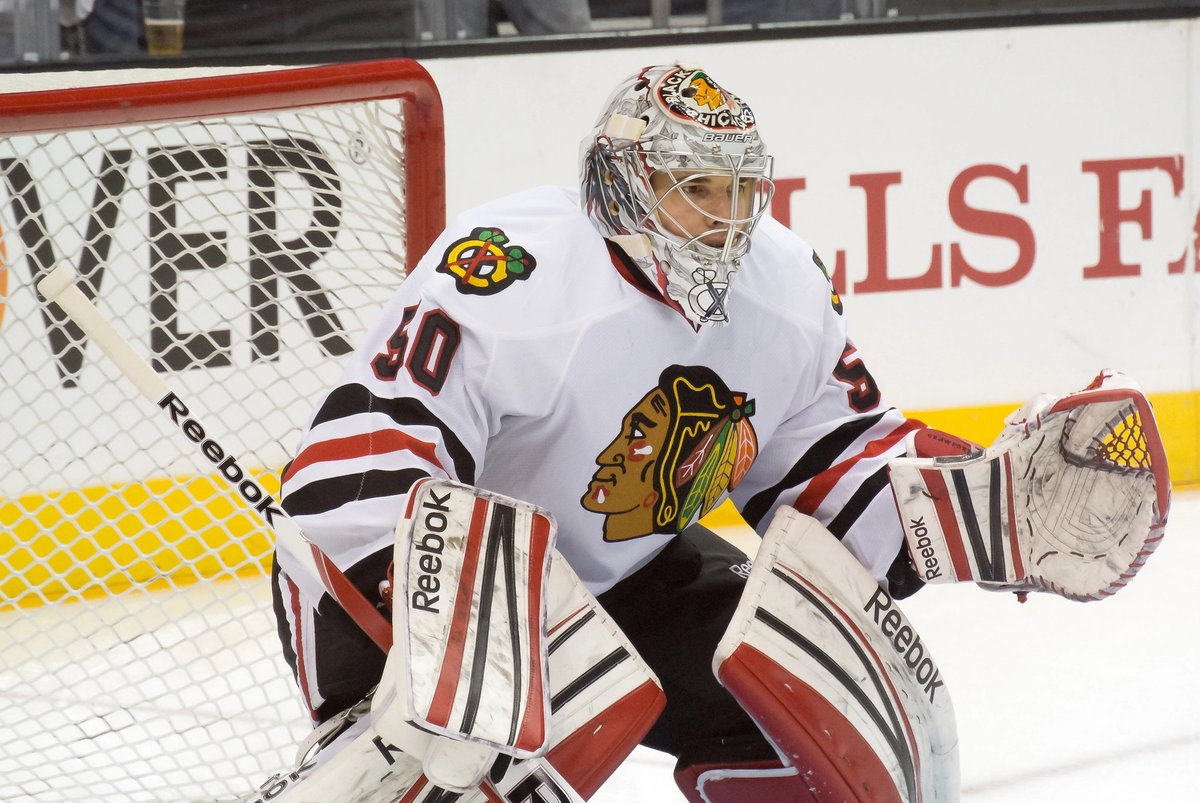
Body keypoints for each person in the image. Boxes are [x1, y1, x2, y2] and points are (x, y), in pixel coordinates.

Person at [266, 64, 1168, 802]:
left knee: (830, 718)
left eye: (740, 189)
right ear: (624, 182)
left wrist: (972, 508)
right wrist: (437, 624)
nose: (727, 218)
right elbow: (359, 468)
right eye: (696, 189)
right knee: (446, 774)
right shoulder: (511, 271)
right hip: (410, 590)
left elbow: (821, 468)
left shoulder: (784, 286)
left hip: (611, 579)